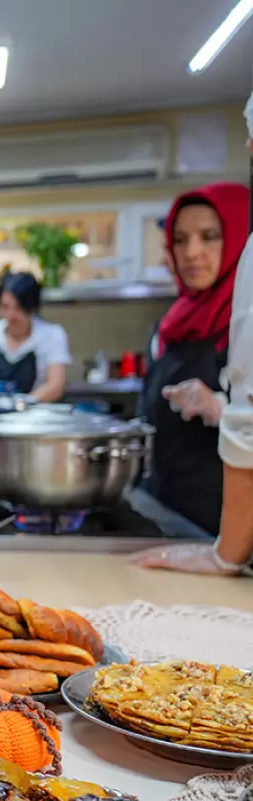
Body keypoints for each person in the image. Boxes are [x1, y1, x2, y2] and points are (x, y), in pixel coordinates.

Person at [134, 182, 253, 569]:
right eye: (181, 239)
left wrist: (219, 407)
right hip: (168, 517)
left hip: (231, 541)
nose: (192, 252)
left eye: (210, 237)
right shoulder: (169, 326)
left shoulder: (245, 324)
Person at [0, 272, 71, 414]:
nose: (11, 315)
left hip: (36, 418)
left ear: (32, 306)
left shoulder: (53, 335)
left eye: (18, 308)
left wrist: (21, 406)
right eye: (5, 307)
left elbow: (56, 385)